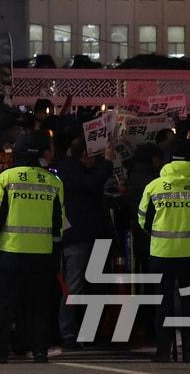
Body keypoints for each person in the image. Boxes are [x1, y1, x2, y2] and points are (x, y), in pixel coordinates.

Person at [0, 132, 64, 364]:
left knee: (6, 306)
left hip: (10, 253)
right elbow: (59, 222)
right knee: (39, 306)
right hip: (42, 253)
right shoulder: (53, 182)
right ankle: (39, 351)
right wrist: (55, 250)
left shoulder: (6, 178)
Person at [137, 138, 190, 363]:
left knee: (163, 302)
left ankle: (163, 351)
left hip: (162, 253)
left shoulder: (154, 186)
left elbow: (143, 220)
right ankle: (189, 351)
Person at [56, 138, 115, 350]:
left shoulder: (79, 170)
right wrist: (108, 163)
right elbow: (89, 184)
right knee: (75, 287)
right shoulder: (68, 171)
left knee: (94, 287)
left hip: (93, 236)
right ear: (85, 155)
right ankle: (69, 334)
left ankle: (89, 333)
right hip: (79, 237)